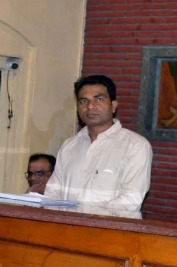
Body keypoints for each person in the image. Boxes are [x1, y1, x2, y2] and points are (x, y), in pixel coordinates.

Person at [43, 74, 152, 211]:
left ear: (113, 106)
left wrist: (84, 218)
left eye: (99, 99)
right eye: (83, 101)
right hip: (66, 224)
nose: (90, 106)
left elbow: (130, 201)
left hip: (109, 225)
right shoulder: (69, 145)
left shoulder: (135, 146)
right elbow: (52, 193)